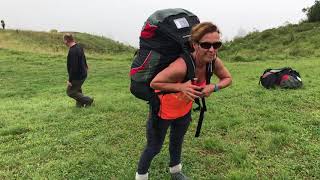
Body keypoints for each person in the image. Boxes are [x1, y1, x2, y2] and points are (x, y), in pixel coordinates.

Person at [135, 22, 232, 180]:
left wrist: (213, 87)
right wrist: (181, 87)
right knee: (154, 147)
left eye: (217, 44)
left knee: (177, 141)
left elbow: (227, 79)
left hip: (184, 110)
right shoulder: (181, 66)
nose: (212, 50)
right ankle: (141, 176)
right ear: (194, 45)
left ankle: (176, 172)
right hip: (162, 112)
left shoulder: (213, 61)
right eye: (206, 44)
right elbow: (155, 83)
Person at [63, 33, 93, 107]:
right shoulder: (78, 46)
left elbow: (74, 68)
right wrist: (86, 66)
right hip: (83, 73)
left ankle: (88, 100)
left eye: (64, 41)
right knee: (77, 89)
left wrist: (70, 80)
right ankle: (79, 105)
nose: (64, 42)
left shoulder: (73, 51)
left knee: (70, 92)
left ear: (66, 41)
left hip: (78, 76)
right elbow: (83, 56)